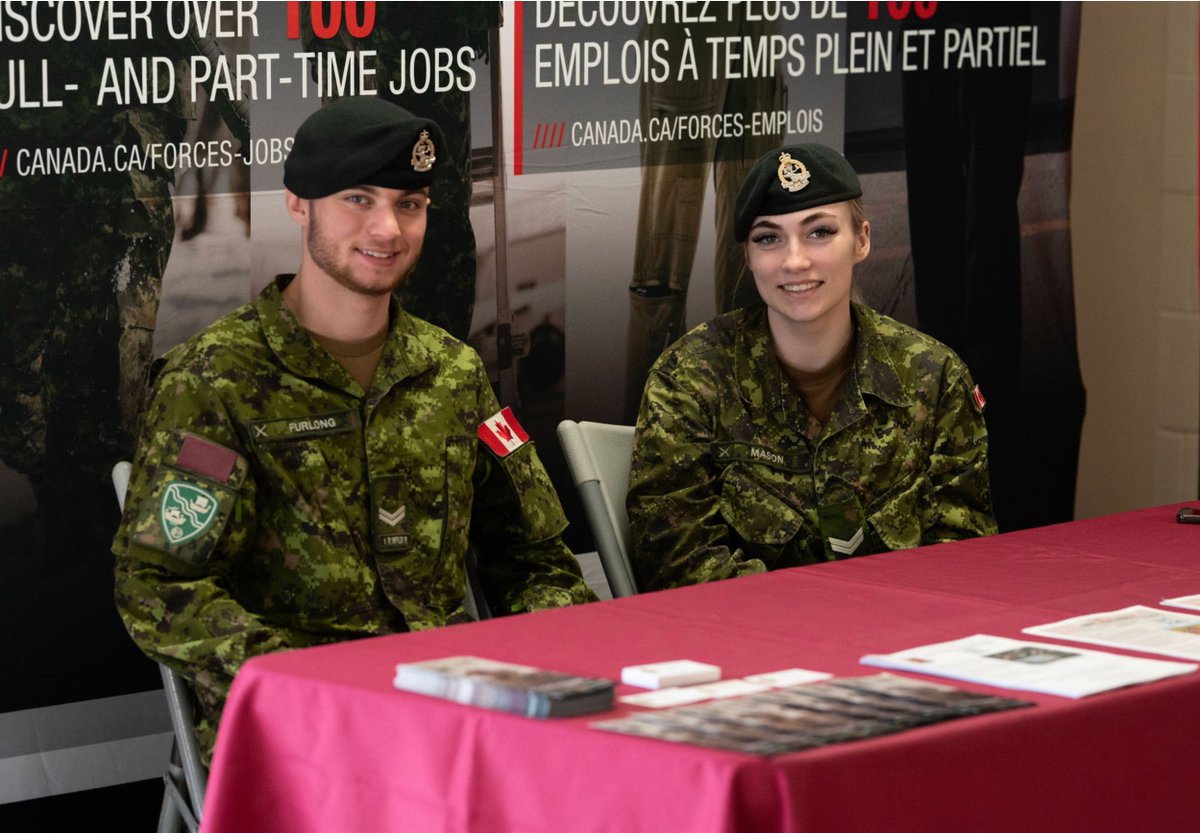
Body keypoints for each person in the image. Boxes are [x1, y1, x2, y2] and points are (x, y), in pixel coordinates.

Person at [112, 97, 596, 763]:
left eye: (410, 203)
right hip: (303, 729)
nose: (388, 227)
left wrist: (570, 670)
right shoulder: (214, 381)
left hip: (452, 709)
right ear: (298, 203)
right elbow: (158, 586)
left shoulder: (453, 372)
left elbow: (531, 557)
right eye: (359, 199)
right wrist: (296, 680)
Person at [626, 143, 997, 592]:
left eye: (819, 232)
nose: (794, 260)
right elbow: (680, 567)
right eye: (768, 238)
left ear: (861, 240)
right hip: (751, 647)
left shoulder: (932, 377)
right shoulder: (689, 380)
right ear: (747, 256)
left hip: (905, 642)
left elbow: (963, 556)